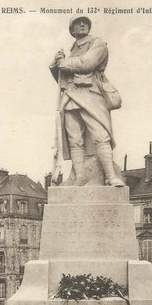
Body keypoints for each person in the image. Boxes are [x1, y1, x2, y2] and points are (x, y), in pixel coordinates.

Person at [50, 15, 125, 187]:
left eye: (85, 22)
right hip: (70, 97)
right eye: (77, 23)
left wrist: (64, 63)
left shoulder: (98, 44)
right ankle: (80, 177)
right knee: (74, 140)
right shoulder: (71, 51)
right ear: (72, 30)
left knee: (101, 136)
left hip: (92, 95)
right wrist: (55, 64)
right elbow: (62, 79)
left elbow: (87, 63)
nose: (82, 24)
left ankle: (110, 176)